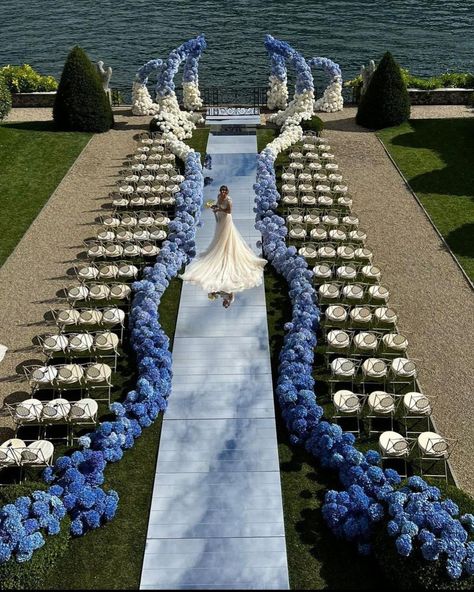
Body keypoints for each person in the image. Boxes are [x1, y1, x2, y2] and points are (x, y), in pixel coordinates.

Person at [180, 185, 266, 307]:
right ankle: (221, 249)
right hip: (220, 217)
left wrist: (219, 208)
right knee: (219, 236)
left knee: (226, 236)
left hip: (226, 219)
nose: (223, 192)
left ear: (227, 192)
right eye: (221, 190)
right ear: (220, 191)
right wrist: (214, 208)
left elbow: (229, 211)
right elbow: (218, 206)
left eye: (224, 191)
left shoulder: (228, 200)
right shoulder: (219, 196)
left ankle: (227, 251)